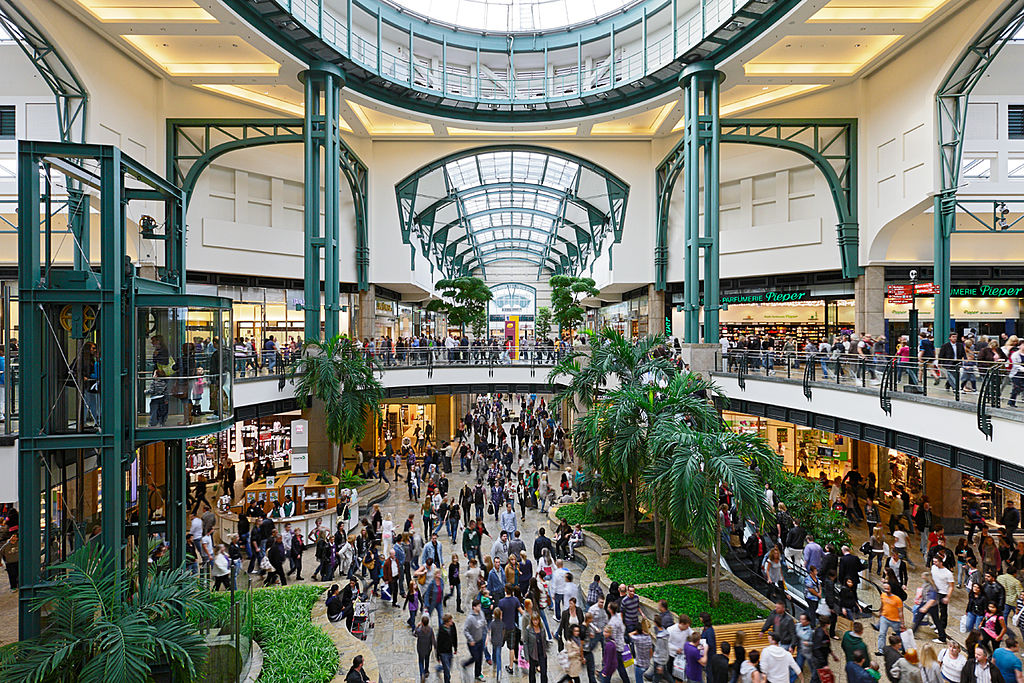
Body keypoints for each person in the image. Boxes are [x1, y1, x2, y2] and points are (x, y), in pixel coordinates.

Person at [462, 599, 487, 680]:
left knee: (480, 658)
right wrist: (470, 639)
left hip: (480, 640)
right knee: (475, 657)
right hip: (472, 643)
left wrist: (486, 636)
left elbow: (484, 623)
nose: (480, 607)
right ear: (474, 607)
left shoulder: (481, 613)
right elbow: (465, 630)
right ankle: (465, 664)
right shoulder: (470, 618)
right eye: (478, 606)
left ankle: (478, 674)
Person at [877, 582, 904, 655]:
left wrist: (902, 623)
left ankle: (902, 648)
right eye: (884, 588)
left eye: (887, 588)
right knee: (882, 634)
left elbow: (901, 612)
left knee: (899, 635)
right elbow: (882, 605)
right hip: (884, 617)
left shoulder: (897, 599)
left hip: (895, 620)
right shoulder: (882, 595)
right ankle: (881, 650)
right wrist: (880, 614)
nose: (886, 590)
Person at [525, 611, 551, 683]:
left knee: (544, 673)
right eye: (534, 620)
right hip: (532, 654)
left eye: (536, 620)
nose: (535, 622)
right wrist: (527, 656)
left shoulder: (542, 628)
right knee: (532, 673)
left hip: (542, 654)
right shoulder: (528, 629)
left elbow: (544, 639)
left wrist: (545, 649)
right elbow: (525, 643)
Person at [437, 613, 459, 683]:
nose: (452, 622)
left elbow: (455, 636)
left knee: (449, 668)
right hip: (443, 653)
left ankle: (439, 668)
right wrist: (438, 655)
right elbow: (438, 643)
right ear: (446, 622)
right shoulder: (441, 630)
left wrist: (455, 648)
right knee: (447, 672)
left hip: (450, 650)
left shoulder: (453, 626)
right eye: (450, 621)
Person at [415, 614, 436, 683]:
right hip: (428, 648)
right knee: (427, 660)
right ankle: (426, 671)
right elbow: (433, 640)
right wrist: (435, 648)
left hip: (420, 648)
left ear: (422, 623)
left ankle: (422, 674)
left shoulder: (419, 630)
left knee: (421, 661)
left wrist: (417, 626)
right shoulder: (430, 630)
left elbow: (415, 633)